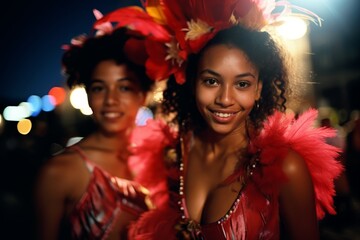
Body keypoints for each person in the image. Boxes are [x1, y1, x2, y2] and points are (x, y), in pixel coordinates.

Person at [128, 0, 343, 239]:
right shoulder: (175, 153)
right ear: (192, 82)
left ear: (259, 89)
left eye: (242, 84)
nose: (225, 99)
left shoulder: (286, 168)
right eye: (211, 81)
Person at [34, 22, 158, 239]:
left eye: (124, 87)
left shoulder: (164, 162)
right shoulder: (59, 172)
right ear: (89, 95)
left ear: (144, 94)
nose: (111, 100)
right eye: (99, 88)